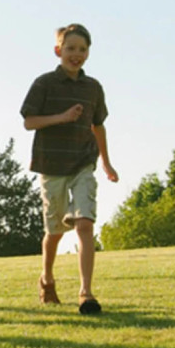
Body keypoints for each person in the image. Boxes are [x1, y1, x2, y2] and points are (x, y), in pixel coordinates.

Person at [20, 23, 119, 315]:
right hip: (52, 167)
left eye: (82, 49)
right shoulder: (44, 84)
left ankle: (85, 293)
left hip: (83, 163)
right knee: (55, 231)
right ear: (58, 51)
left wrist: (106, 161)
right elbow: (29, 122)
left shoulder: (93, 88)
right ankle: (47, 277)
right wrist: (62, 117)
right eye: (71, 48)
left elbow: (98, 125)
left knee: (85, 224)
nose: (77, 54)